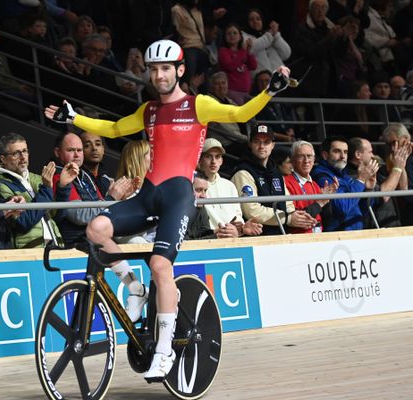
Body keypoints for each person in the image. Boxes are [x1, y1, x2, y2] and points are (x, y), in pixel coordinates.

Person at [44, 39, 292, 381]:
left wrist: (268, 92)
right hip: (148, 194)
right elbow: (115, 129)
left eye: (165, 68)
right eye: (153, 69)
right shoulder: (148, 111)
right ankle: (132, 285)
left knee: (160, 265)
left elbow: (239, 114)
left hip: (178, 197)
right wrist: (75, 118)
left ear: (179, 71)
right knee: (97, 229)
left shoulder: (198, 105)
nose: (159, 75)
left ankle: (164, 351)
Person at [231, 124, 318, 236]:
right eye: (257, 141)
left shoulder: (275, 170)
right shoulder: (243, 172)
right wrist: (288, 218)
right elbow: (252, 210)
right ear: (250, 144)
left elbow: (287, 202)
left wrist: (296, 215)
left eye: (266, 142)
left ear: (273, 145)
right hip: (257, 238)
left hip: (279, 235)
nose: (262, 146)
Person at [51, 132, 132, 245]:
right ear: (57, 152)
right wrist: (111, 198)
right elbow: (80, 216)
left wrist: (121, 197)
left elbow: (100, 204)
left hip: (97, 235)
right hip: (79, 242)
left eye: (79, 150)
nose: (76, 155)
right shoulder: (57, 176)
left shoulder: (85, 174)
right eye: (70, 150)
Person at [0, 133, 64, 248]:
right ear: (3, 159)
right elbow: (22, 222)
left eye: (25, 151)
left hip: (54, 244)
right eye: (16, 153)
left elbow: (56, 215)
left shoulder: (36, 178)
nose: (23, 157)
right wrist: (46, 188)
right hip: (29, 250)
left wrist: (63, 186)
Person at [197, 138, 262, 238]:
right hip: (207, 241)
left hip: (231, 241)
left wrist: (242, 228)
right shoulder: (193, 187)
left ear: (222, 161)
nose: (213, 161)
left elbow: (237, 217)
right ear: (199, 160)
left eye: (217, 156)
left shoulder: (229, 185)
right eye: (208, 156)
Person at [311, 136, 378, 231]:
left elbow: (364, 209)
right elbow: (343, 208)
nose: (343, 156)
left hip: (355, 231)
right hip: (339, 237)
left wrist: (368, 190)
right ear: (325, 155)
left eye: (345, 152)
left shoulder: (344, 174)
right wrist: (361, 180)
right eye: (337, 151)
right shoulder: (322, 176)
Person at [345, 137, 409, 227]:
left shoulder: (374, 168)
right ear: (358, 154)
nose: (373, 155)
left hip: (393, 222)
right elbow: (383, 196)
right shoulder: (352, 175)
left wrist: (401, 164)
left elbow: (404, 187)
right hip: (377, 228)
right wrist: (397, 168)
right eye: (370, 152)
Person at [284, 140, 338, 234]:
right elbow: (299, 220)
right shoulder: (285, 182)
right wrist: (320, 202)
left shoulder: (315, 184)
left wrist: (327, 199)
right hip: (298, 239)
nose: (306, 161)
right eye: (301, 156)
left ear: (314, 159)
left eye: (309, 156)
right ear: (293, 160)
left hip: (318, 236)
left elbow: (327, 218)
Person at [242, 8, 291, 77]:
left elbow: (286, 54)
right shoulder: (243, 35)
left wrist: (276, 36)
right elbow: (251, 48)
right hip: (260, 81)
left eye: (258, 19)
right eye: (251, 19)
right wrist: (270, 35)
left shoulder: (269, 34)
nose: (255, 21)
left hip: (279, 78)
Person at [218, 22, 257, 105]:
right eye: (229, 33)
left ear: (240, 36)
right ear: (225, 37)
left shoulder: (243, 51)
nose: (232, 35)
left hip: (247, 92)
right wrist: (243, 51)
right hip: (233, 91)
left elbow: (253, 66)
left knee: (250, 117)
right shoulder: (223, 51)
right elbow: (230, 66)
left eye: (235, 33)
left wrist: (249, 51)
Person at [185, 170, 217, 240]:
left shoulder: (200, 207)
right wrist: (215, 236)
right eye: (198, 190)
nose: (204, 196)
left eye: (205, 191)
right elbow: (184, 243)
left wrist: (217, 232)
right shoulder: (175, 210)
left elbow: (201, 233)